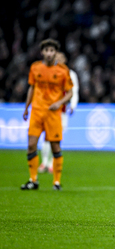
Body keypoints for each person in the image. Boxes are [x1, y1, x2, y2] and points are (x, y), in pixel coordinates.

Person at [21, 39, 73, 191]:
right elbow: (31, 88)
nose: (49, 53)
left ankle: (56, 182)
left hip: (53, 113)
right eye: (47, 50)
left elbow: (70, 92)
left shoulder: (62, 71)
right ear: (42, 52)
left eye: (52, 51)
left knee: (55, 147)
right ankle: (33, 180)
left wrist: (59, 103)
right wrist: (26, 107)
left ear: (55, 53)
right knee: (31, 145)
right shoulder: (35, 68)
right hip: (37, 111)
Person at [38, 51, 79, 174]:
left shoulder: (71, 74)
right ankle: (44, 162)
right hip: (48, 109)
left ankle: (51, 163)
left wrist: (73, 105)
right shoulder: (48, 72)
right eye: (57, 58)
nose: (59, 60)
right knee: (46, 136)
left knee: (56, 138)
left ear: (65, 60)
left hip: (62, 110)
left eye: (61, 57)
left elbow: (74, 91)